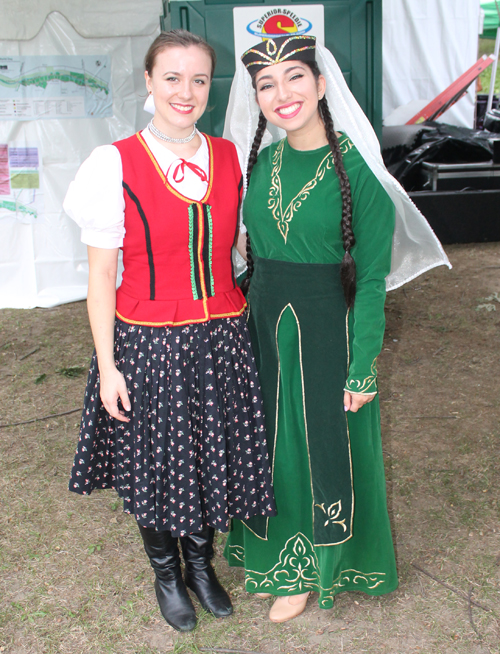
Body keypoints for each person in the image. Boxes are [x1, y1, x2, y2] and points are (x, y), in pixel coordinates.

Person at [223, 34, 450, 623]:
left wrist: (362, 364)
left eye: (295, 77)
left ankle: (309, 567)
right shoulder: (262, 162)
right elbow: (247, 254)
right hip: (263, 328)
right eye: (266, 85)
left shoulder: (359, 172)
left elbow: (372, 280)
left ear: (321, 85)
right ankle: (270, 549)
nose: (282, 94)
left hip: (329, 331)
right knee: (269, 442)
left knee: (317, 447)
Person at [64, 29, 276, 633]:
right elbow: (102, 275)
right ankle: (166, 572)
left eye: (200, 79)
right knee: (157, 464)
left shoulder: (230, 157)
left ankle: (202, 567)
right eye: (173, 78)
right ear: (151, 83)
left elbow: (239, 249)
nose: (186, 92)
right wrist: (107, 366)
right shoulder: (114, 163)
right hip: (148, 340)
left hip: (220, 337)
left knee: (210, 456)